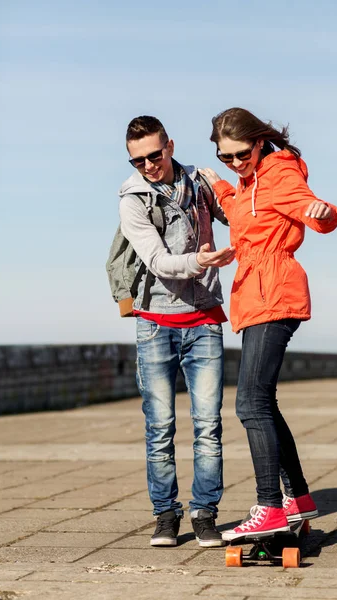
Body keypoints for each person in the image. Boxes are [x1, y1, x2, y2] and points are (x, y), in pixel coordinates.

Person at [200, 107, 337, 541]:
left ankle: (269, 507)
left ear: (259, 142)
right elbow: (240, 208)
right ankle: (298, 499)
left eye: (241, 153)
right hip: (257, 297)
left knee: (249, 404)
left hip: (275, 295)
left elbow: (317, 211)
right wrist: (219, 184)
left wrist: (320, 213)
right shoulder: (246, 183)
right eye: (226, 157)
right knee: (264, 403)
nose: (235, 162)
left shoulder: (279, 174)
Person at [117, 115, 235, 547]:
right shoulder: (132, 199)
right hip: (154, 322)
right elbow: (157, 261)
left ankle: (204, 513)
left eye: (154, 154)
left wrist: (223, 187)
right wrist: (200, 263)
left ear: (169, 145)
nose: (147, 165)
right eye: (137, 160)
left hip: (203, 320)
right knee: (160, 427)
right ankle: (165, 515)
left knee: (208, 425)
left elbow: (240, 220)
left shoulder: (200, 184)